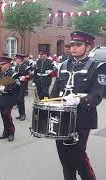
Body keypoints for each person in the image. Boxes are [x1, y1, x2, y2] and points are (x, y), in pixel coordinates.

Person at [51, 31, 105, 180]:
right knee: (64, 158)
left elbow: (97, 95)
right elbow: (55, 92)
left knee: (78, 157)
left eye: (78, 45)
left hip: (82, 118)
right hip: (61, 118)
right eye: (71, 45)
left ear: (88, 47)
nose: (73, 48)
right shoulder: (64, 65)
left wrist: (78, 100)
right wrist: (47, 105)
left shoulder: (98, 67)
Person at [0, 56, 19, 142]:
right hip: (1, 98)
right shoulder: (0, 74)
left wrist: (6, 89)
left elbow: (16, 87)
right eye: (1, 64)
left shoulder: (13, 74)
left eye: (3, 64)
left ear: (8, 64)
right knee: (3, 116)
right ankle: (6, 132)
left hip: (9, 98)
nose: (1, 66)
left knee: (7, 115)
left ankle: (11, 133)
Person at [14, 54, 30, 121]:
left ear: (20, 59)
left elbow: (30, 75)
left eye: (17, 59)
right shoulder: (17, 66)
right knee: (17, 99)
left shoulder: (25, 66)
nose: (15, 60)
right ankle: (20, 114)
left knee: (21, 98)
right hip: (17, 84)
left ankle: (23, 114)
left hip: (23, 85)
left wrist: (25, 77)